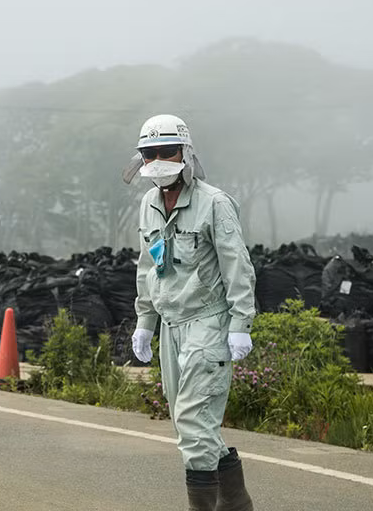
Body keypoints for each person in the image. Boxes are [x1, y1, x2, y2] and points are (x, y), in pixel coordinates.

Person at [122, 114, 256, 511]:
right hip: (171, 325)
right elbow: (148, 266)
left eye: (167, 152)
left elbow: (238, 265)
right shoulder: (148, 203)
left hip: (208, 323)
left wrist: (240, 324)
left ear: (186, 153)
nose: (159, 160)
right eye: (150, 154)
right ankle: (236, 504)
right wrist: (145, 322)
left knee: (195, 426)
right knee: (188, 423)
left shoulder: (214, 204)